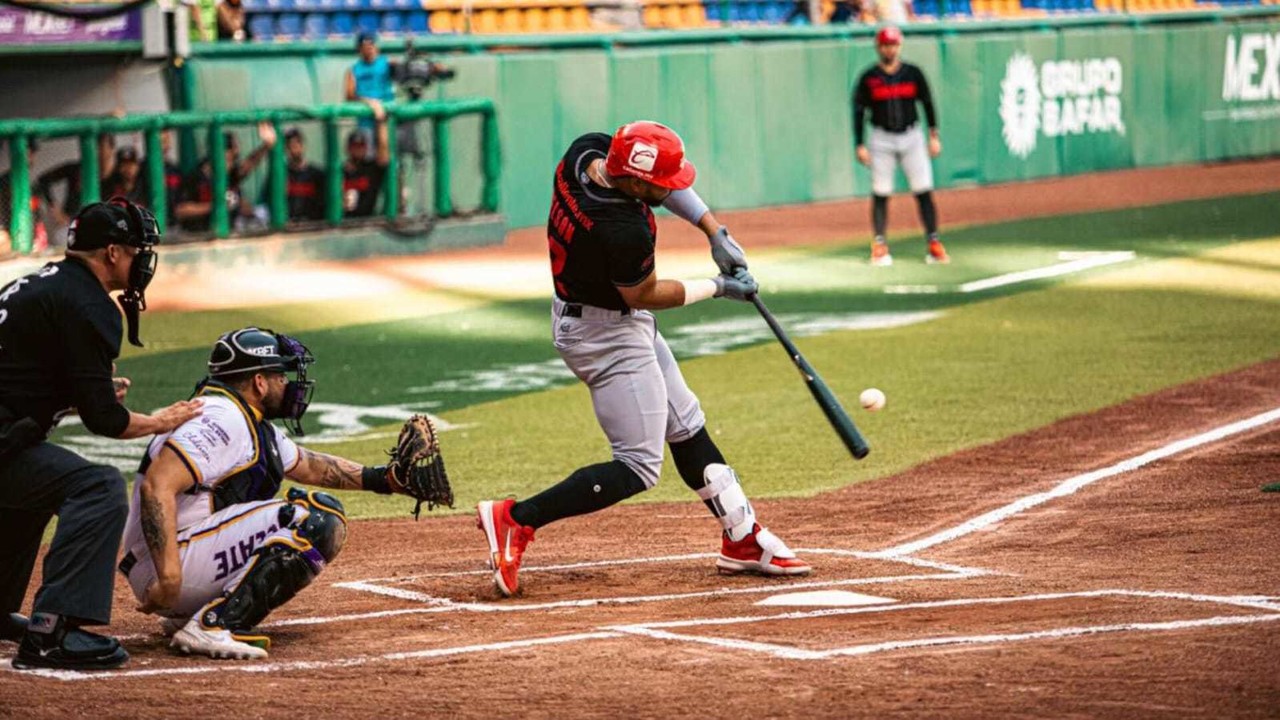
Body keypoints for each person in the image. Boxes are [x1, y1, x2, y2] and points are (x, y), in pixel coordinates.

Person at [475, 121, 811, 598]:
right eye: (658, 185)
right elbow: (645, 293)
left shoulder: (586, 153)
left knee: (686, 423)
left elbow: (662, 184)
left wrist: (714, 230)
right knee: (637, 465)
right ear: (633, 182)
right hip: (604, 334)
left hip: (606, 316)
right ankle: (515, 519)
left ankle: (741, 537)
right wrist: (720, 287)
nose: (671, 189)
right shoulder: (622, 228)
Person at [120, 327, 440, 659]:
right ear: (259, 381)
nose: (289, 385)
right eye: (281, 376)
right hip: (167, 567)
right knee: (316, 519)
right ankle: (215, 624)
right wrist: (169, 578)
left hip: (182, 558)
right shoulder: (222, 417)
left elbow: (309, 465)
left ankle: (198, 612)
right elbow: (157, 486)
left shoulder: (247, 420)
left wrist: (385, 479)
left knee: (308, 513)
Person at [0, 198, 204, 671]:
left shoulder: (41, 284)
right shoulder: (89, 304)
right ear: (112, 252)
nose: (143, 261)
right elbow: (105, 422)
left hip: (8, 436)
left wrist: (83, 391)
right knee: (97, 487)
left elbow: (23, 379)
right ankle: (53, 633)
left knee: (33, 481)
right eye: (136, 250)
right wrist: (162, 420)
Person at [852, 26, 947, 266]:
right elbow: (858, 111)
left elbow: (927, 103)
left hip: (911, 135)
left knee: (923, 189)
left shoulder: (913, 73)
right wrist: (859, 143)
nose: (889, 48)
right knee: (881, 192)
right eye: (885, 44)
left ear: (899, 46)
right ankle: (880, 245)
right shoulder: (869, 77)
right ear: (878, 47)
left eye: (893, 44)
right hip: (881, 137)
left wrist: (933, 134)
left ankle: (934, 242)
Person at [174, 122, 276, 234]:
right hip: (198, 236)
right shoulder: (196, 177)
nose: (232, 163)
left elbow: (248, 164)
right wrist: (215, 206)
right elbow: (181, 210)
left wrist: (266, 145)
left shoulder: (230, 174)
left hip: (227, 234)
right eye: (230, 157)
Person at [37, 134, 117, 235]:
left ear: (111, 149)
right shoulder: (77, 169)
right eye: (94, 147)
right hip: (74, 225)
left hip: (107, 228)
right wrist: (54, 206)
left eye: (101, 147)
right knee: (61, 236)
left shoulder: (119, 175)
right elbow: (43, 180)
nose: (97, 152)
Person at [259, 128, 325, 222]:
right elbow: (266, 202)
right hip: (288, 228)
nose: (293, 149)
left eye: (296, 144)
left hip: (313, 226)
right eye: (289, 146)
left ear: (302, 146)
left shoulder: (317, 174)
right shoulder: (279, 175)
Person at [0, 138, 49, 253]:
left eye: (31, 153)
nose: (30, 157)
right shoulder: (4, 182)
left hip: (29, 240)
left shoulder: (32, 184)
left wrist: (39, 235)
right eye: (27, 152)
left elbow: (37, 218)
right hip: (8, 236)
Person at [344, 32, 394, 141]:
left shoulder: (386, 63)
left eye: (372, 44)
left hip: (388, 118)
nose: (369, 48)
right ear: (359, 49)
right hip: (365, 122)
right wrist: (369, 102)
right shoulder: (354, 70)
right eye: (365, 45)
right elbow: (349, 95)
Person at [342, 121, 389, 218]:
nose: (358, 150)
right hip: (344, 222)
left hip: (367, 220)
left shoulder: (372, 168)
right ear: (348, 148)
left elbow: (384, 150)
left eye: (361, 146)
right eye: (355, 146)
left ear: (366, 148)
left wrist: (381, 122)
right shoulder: (340, 172)